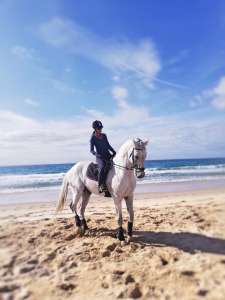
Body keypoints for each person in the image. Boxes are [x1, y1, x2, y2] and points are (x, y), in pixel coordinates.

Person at [90, 120, 116, 194]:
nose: (100, 130)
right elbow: (91, 150)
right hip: (99, 157)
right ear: (95, 129)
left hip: (107, 154)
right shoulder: (93, 138)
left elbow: (108, 145)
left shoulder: (104, 135)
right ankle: (100, 185)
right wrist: (97, 155)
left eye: (101, 128)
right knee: (103, 167)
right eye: (99, 128)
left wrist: (113, 151)